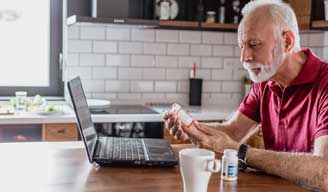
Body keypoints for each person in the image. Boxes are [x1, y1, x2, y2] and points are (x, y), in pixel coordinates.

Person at [163, 0, 328, 190]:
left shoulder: (325, 83)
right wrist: (192, 129)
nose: (244, 58)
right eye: (242, 46)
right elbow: (233, 131)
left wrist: (239, 151)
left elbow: (324, 173)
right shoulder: (265, 82)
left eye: (254, 44)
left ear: (287, 42)